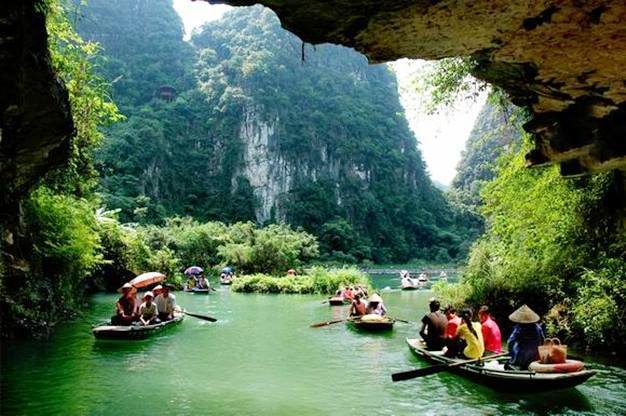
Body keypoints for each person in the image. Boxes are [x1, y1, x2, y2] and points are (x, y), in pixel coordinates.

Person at [506, 304, 544, 370]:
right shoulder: (538, 327)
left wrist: (511, 353)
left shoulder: (519, 329)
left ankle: (516, 363)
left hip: (522, 358)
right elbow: (543, 340)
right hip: (536, 357)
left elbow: (510, 342)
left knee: (516, 348)